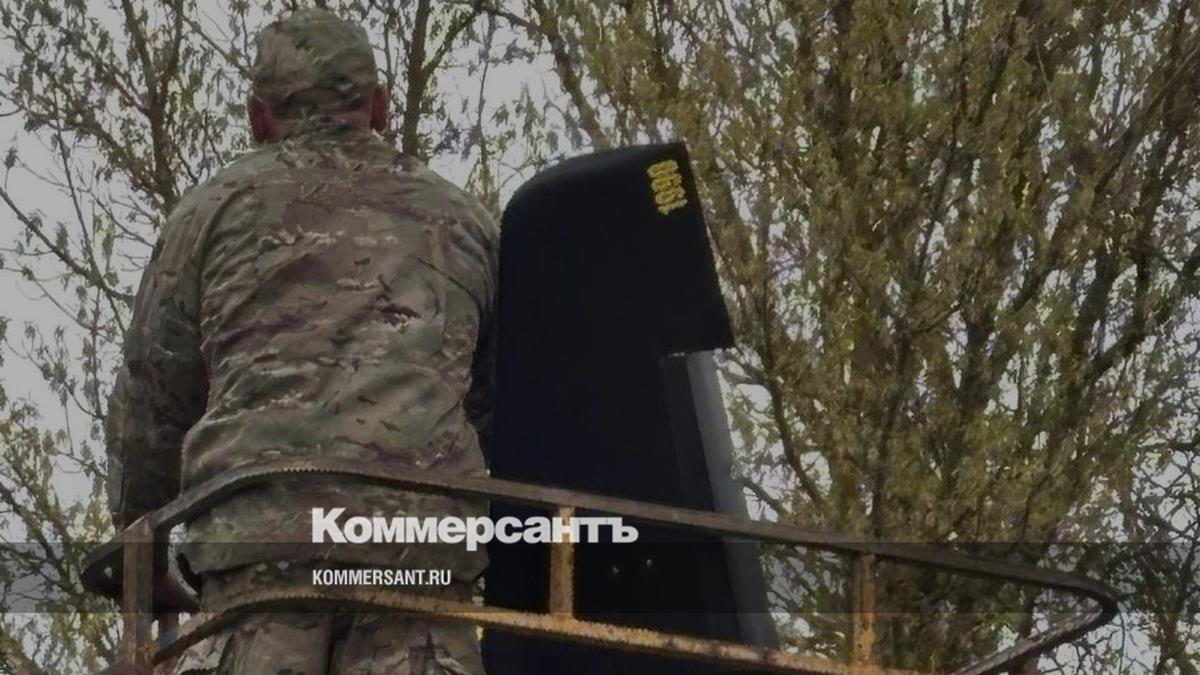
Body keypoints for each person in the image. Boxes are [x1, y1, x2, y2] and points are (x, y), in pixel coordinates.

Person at [104, 8, 497, 674]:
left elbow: (153, 403)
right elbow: (493, 399)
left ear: (258, 117)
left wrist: (140, 543)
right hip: (418, 562)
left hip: (261, 561)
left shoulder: (210, 212)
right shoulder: (464, 220)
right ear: (379, 107)